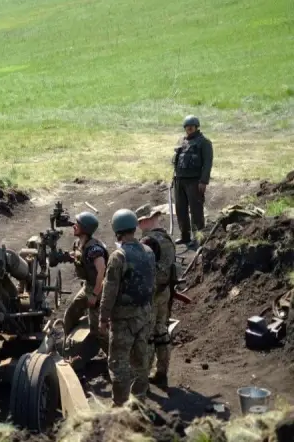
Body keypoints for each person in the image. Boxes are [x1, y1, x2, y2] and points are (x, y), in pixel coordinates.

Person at [99, 209, 156, 406]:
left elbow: (109, 291)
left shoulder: (118, 256)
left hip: (123, 320)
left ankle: (120, 405)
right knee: (141, 360)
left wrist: (103, 318)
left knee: (119, 363)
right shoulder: (148, 251)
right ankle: (139, 401)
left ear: (117, 231)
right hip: (144, 314)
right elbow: (152, 282)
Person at [135, 204, 176, 390]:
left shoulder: (148, 241)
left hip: (150, 294)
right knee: (162, 331)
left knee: (148, 335)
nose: (139, 226)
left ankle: (142, 375)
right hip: (165, 290)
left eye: (140, 222)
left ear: (146, 220)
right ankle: (162, 371)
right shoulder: (168, 238)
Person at [63, 212, 108, 355]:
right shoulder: (78, 244)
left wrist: (95, 295)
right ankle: (68, 349)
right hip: (88, 286)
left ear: (85, 228)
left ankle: (112, 357)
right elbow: (79, 257)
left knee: (97, 329)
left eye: (78, 224)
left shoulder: (95, 250)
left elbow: (102, 272)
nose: (74, 226)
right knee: (71, 313)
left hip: (99, 289)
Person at [172, 115, 213, 248]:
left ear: (196, 127)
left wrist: (203, 181)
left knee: (196, 210)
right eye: (187, 127)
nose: (189, 128)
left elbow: (207, 163)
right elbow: (177, 160)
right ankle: (185, 236)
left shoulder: (204, 142)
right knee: (180, 209)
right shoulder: (181, 141)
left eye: (192, 126)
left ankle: (198, 237)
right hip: (180, 180)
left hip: (194, 181)